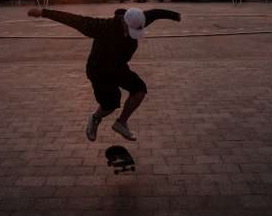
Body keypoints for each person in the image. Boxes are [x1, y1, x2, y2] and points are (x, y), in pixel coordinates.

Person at [27, 7, 181, 141]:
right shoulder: (101, 27)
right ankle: (95, 119)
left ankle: (121, 123)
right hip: (99, 71)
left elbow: (157, 13)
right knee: (111, 104)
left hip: (119, 68)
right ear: (124, 22)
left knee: (140, 90)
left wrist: (176, 16)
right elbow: (74, 20)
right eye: (130, 31)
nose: (131, 35)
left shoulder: (139, 19)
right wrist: (43, 12)